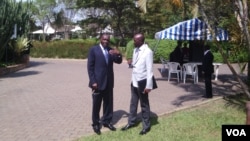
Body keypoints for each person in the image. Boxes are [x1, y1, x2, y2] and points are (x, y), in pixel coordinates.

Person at [87, 34, 123, 135]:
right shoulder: (94, 50)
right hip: (97, 83)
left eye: (107, 40)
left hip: (109, 83)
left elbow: (119, 61)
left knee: (108, 104)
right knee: (96, 105)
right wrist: (93, 81)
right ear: (100, 39)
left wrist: (118, 53)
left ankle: (107, 121)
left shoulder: (110, 50)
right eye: (104, 39)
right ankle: (96, 124)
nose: (106, 41)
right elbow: (90, 67)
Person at [121, 33, 155, 135]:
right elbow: (136, 65)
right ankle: (131, 122)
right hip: (134, 81)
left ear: (140, 41)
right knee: (133, 103)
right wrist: (131, 64)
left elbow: (150, 70)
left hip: (142, 82)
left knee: (144, 105)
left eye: (135, 40)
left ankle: (146, 126)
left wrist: (149, 86)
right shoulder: (136, 50)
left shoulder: (148, 52)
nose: (133, 42)